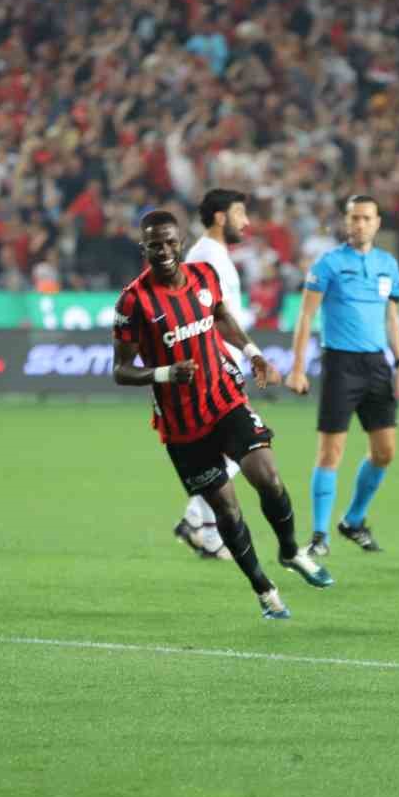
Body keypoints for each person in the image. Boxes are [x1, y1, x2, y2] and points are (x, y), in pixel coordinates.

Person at [112, 209, 333, 619]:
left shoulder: (203, 277)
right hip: (182, 426)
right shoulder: (133, 301)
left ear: (180, 242)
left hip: (225, 399)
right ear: (143, 248)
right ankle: (264, 589)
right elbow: (120, 370)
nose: (163, 250)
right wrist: (164, 373)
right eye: (154, 244)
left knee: (267, 474)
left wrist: (253, 354)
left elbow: (221, 317)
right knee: (227, 511)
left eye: (169, 242)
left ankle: (289, 551)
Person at [285, 195, 399, 556]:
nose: (359, 224)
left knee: (385, 452)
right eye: (354, 218)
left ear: (377, 222)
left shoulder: (388, 265)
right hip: (340, 363)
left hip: (377, 366)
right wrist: (297, 369)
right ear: (345, 221)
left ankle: (353, 521)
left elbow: (392, 319)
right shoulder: (328, 264)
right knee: (330, 452)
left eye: (366, 218)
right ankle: (320, 536)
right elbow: (306, 316)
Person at [171, 188, 261, 561]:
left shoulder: (214, 255)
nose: (247, 221)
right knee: (249, 442)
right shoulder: (206, 257)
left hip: (221, 365)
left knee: (226, 449)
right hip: (214, 367)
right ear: (221, 217)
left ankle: (206, 533)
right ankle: (196, 519)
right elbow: (203, 315)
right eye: (241, 213)